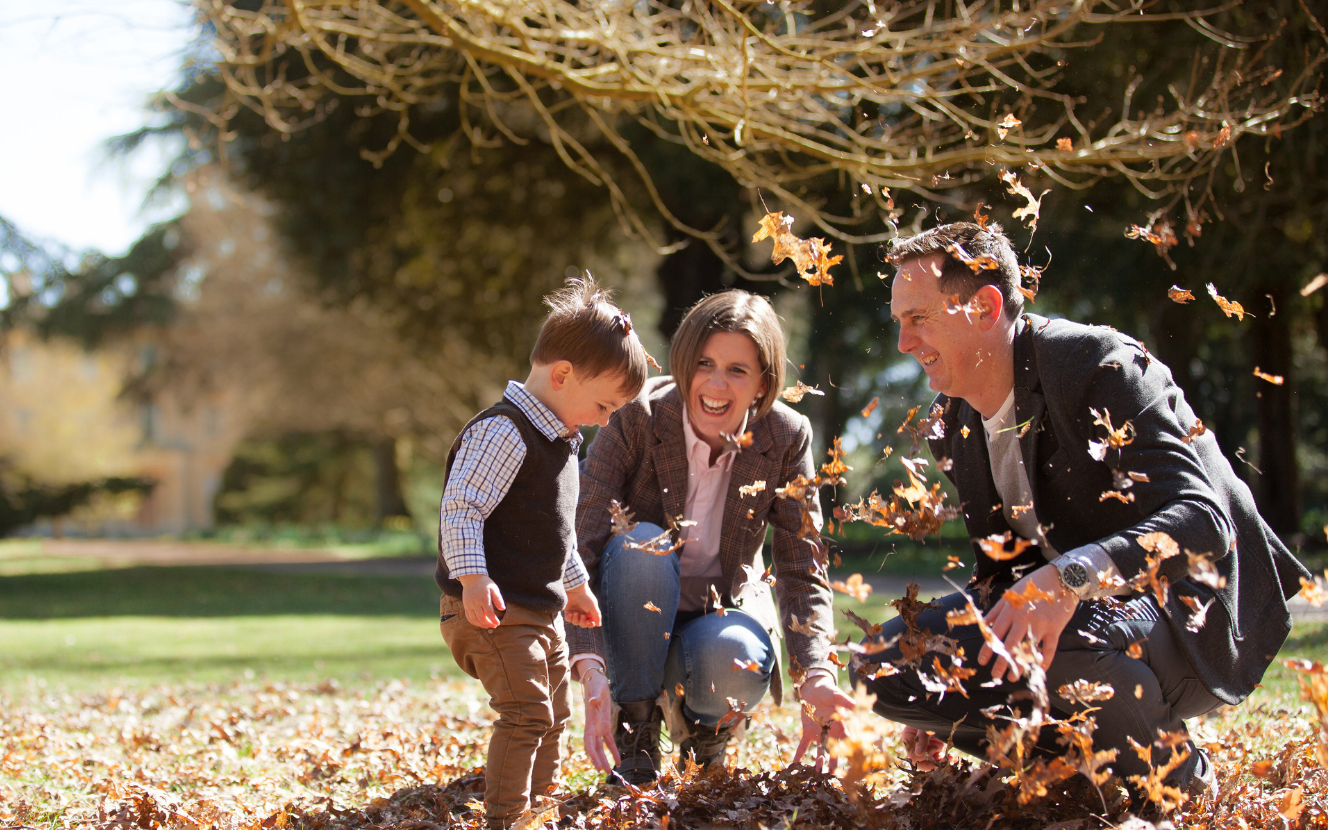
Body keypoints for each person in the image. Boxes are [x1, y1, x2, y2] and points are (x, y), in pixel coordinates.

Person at [853, 222, 1309, 805]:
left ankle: (1173, 774)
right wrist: (941, 685)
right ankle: (1076, 770)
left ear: (986, 306)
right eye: (899, 322)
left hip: (1193, 613)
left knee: (1061, 626)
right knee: (886, 665)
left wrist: (1070, 577)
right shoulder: (955, 424)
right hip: (1091, 613)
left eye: (918, 318)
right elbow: (1006, 573)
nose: (903, 342)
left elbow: (1203, 520)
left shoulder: (1095, 363)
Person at [567, 290, 854, 785]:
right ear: (683, 363)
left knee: (734, 653)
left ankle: (705, 734)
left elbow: (800, 566)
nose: (716, 384)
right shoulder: (635, 415)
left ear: (764, 381)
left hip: (720, 615)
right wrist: (588, 661)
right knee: (644, 543)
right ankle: (635, 723)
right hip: (631, 609)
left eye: (738, 370)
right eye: (704, 363)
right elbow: (582, 538)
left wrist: (818, 675)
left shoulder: (787, 436)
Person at [434, 276, 650, 830]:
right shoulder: (505, 432)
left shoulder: (558, 444)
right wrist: (473, 578)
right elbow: (462, 508)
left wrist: (576, 585)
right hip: (491, 609)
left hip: (536, 611)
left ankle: (539, 807)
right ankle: (507, 819)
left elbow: (555, 535)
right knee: (526, 713)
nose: (605, 420)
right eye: (603, 404)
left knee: (553, 715)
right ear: (561, 375)